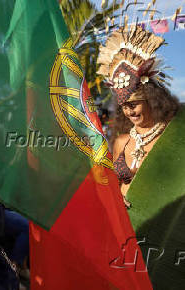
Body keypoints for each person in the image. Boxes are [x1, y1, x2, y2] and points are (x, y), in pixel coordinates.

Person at [97, 26, 183, 288]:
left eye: (134, 102)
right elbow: (109, 185)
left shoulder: (172, 137)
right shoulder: (121, 140)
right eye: (124, 105)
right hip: (121, 233)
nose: (129, 110)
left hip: (159, 232)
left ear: (151, 97)